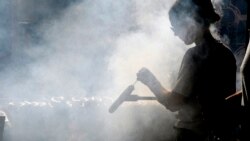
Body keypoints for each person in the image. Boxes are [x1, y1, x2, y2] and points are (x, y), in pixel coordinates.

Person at [136, 0, 237, 141]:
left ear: (191, 22)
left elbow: (173, 103)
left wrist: (151, 81)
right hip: (219, 134)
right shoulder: (226, 54)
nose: (176, 34)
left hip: (191, 134)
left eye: (176, 27)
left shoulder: (195, 55)